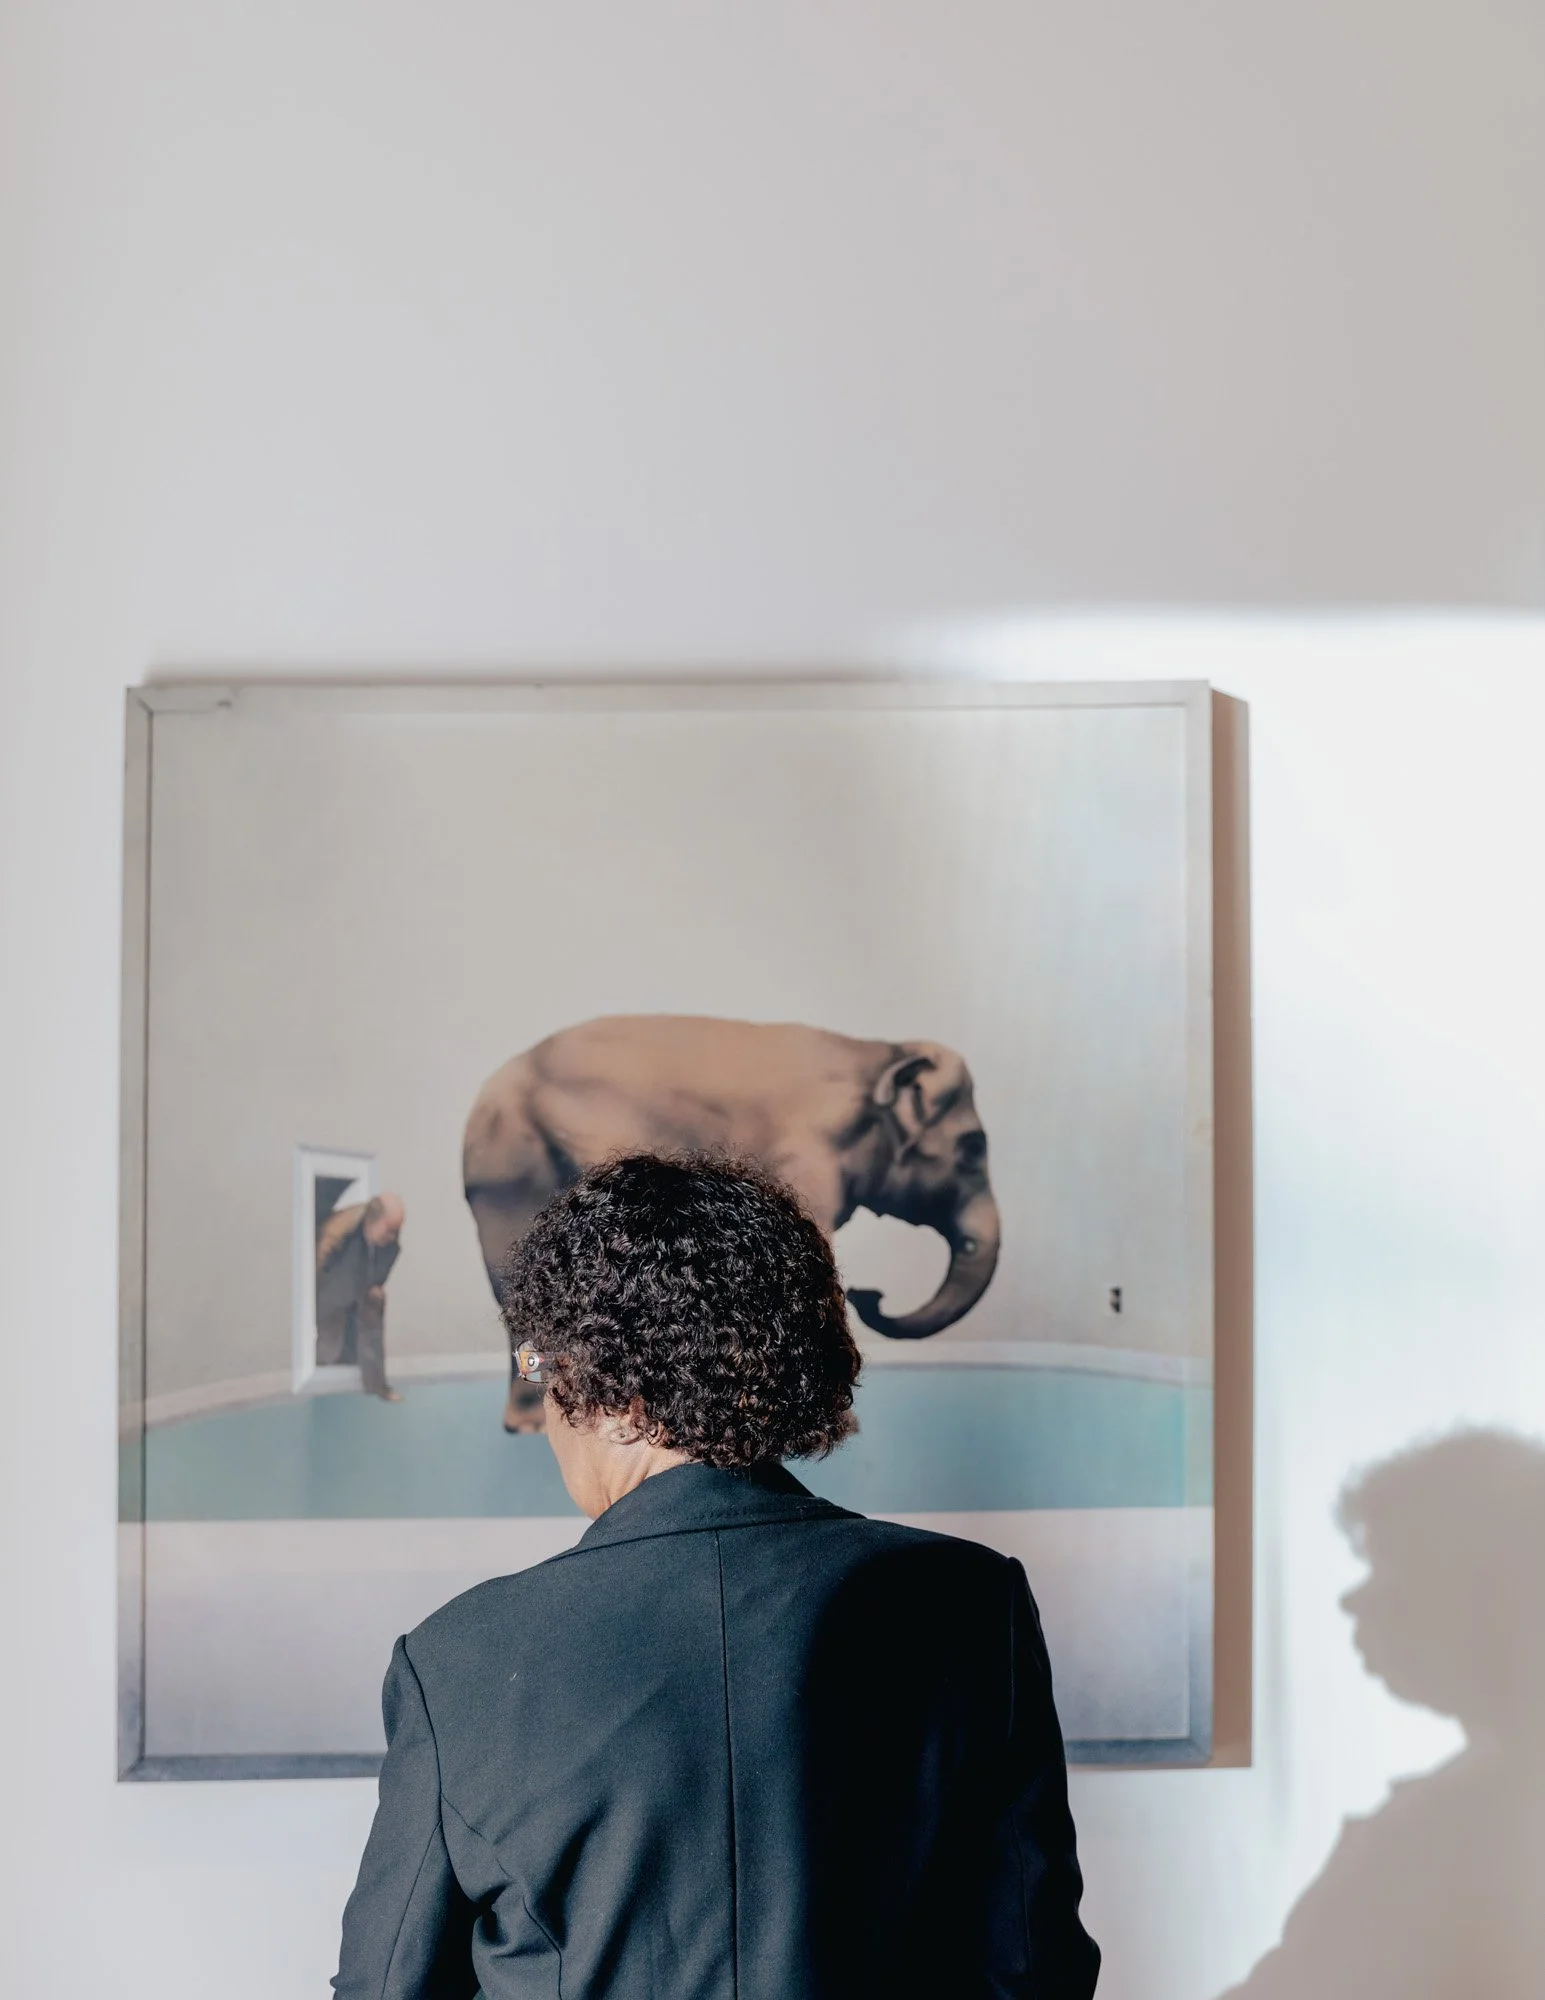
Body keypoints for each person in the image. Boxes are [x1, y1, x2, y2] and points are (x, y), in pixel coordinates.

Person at [334, 1154, 1099, 1999]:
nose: (543, 1403)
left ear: (609, 1390)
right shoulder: (965, 1604)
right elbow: (1033, 1968)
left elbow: (384, 1988)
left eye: (538, 1367)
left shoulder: (458, 1658)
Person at [316, 1191, 405, 1401]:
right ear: (371, 1222)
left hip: (359, 1291)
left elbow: (383, 1264)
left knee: (373, 1315)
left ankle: (377, 1385)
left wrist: (375, 1286)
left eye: (396, 1231)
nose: (392, 1237)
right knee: (327, 1342)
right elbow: (319, 1263)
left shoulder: (389, 1243)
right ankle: (321, 1379)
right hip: (332, 1293)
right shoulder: (339, 1234)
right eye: (388, 1230)